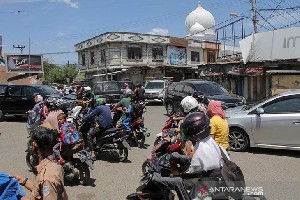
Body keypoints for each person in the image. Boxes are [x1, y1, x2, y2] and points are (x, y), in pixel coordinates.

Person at [150, 112, 230, 200]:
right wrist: (180, 157)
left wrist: (159, 179)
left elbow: (187, 178)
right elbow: (203, 163)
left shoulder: (202, 149)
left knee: (182, 184)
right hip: (219, 182)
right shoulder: (211, 143)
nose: (185, 133)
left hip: (208, 191)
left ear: (194, 131)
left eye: (187, 130)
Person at [10, 125, 69, 200]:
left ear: (34, 144)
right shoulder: (53, 164)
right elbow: (41, 191)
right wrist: (24, 181)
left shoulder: (47, 178)